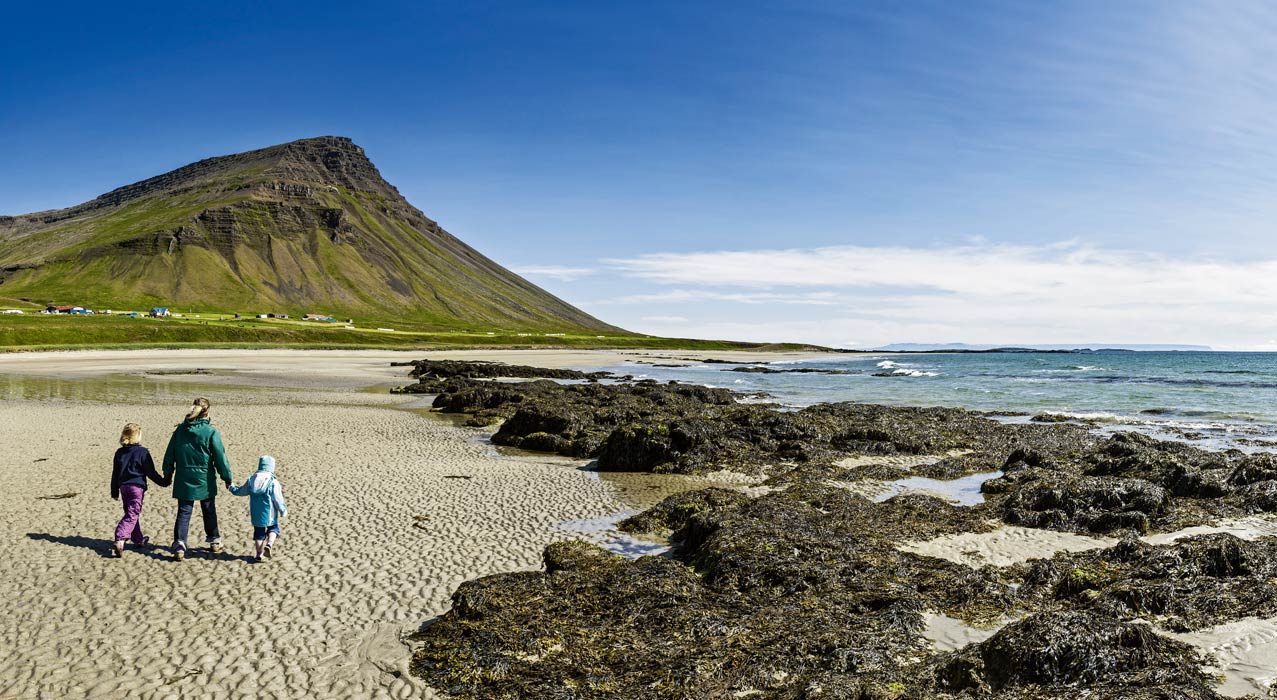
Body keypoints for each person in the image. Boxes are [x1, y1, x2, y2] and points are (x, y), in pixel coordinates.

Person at [162, 397, 234, 561]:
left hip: (183, 477)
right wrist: (227, 477)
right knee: (209, 510)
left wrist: (168, 474)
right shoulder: (210, 432)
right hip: (204, 479)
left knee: (184, 512)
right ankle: (214, 540)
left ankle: (180, 544)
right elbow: (220, 458)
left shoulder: (180, 431)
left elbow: (169, 455)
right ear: (207, 412)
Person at [109, 423, 169, 557]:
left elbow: (115, 474)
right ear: (137, 437)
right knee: (132, 514)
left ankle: (138, 539)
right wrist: (163, 482)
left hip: (124, 487)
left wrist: (114, 490)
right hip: (136, 488)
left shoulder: (120, 452)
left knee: (131, 513)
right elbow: (151, 472)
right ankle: (120, 538)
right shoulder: (142, 452)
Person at [228, 455, 288, 561]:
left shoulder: (252, 480)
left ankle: (259, 554)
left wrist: (232, 487)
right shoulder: (273, 482)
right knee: (273, 528)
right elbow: (278, 498)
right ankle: (269, 544)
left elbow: (241, 491)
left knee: (259, 534)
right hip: (270, 514)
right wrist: (283, 510)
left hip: (256, 514)